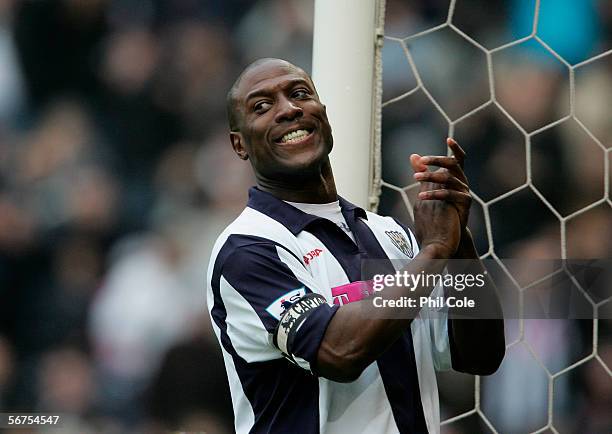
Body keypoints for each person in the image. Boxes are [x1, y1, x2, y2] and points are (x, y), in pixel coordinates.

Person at [206, 58, 505, 434]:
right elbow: (339, 352)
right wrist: (434, 252)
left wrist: (460, 243)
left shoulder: (388, 234)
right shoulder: (249, 249)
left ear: (324, 115)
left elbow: (481, 354)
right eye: (262, 107)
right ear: (240, 144)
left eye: (299, 94)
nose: (289, 109)